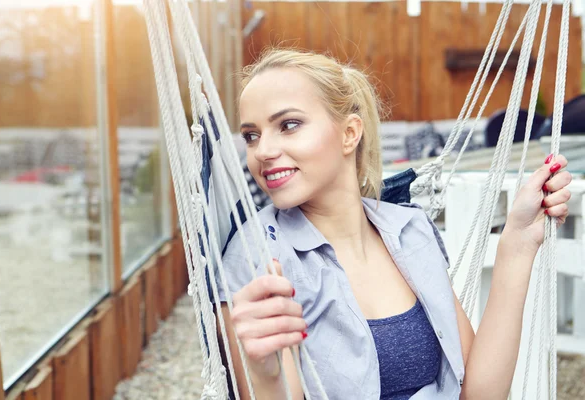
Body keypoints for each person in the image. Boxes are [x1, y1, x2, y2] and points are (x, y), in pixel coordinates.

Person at [214, 48, 572, 400]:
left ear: (349, 134)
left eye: (288, 125)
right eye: (251, 135)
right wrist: (263, 372)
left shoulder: (409, 229)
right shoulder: (256, 258)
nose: (262, 151)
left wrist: (518, 244)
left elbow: (479, 393)